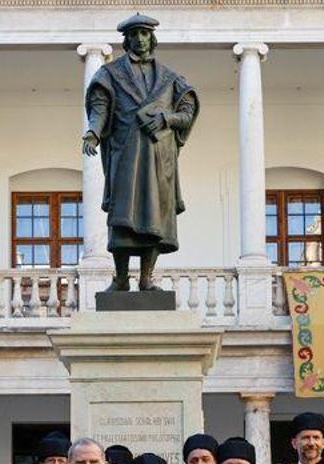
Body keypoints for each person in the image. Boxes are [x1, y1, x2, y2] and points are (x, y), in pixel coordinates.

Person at [82, 13, 199, 290]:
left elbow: (188, 111)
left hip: (159, 157)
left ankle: (147, 279)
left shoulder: (170, 78)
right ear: (127, 40)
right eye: (134, 34)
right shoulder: (110, 74)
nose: (139, 39)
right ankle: (121, 278)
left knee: (155, 217)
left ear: (152, 37)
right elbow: (100, 106)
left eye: (144, 33)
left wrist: (167, 119)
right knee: (122, 218)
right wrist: (93, 132)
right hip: (126, 155)